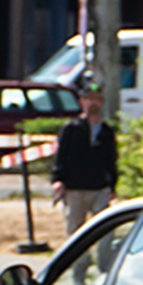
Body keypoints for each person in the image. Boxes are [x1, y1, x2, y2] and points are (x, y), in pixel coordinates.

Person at [51, 88, 119, 236]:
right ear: (81, 102)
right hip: (75, 188)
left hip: (100, 187)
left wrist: (113, 185)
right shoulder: (71, 128)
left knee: (103, 230)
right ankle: (80, 260)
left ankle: (104, 259)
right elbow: (61, 157)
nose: (93, 103)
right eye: (89, 99)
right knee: (75, 230)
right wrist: (57, 180)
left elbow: (111, 160)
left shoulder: (107, 131)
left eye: (97, 99)